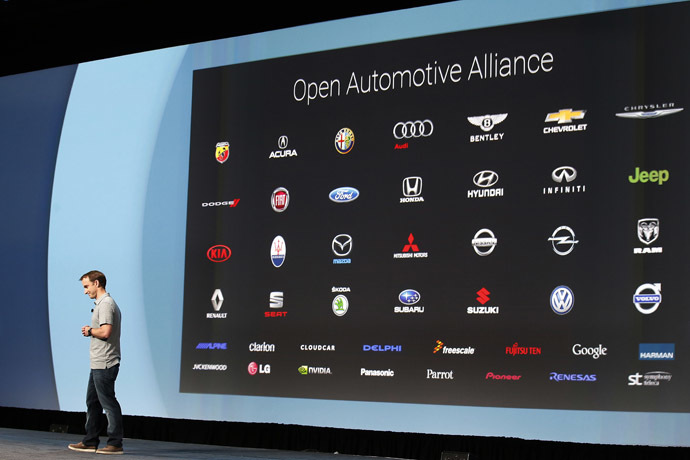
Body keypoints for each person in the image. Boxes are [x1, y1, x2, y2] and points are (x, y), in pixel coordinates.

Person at [68, 270, 124, 455]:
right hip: (98, 363)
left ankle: (115, 443)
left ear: (97, 283)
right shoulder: (101, 304)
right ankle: (90, 441)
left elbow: (106, 332)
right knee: (93, 402)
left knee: (108, 403)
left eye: (87, 286)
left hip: (105, 363)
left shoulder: (106, 304)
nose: (85, 291)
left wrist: (90, 330)